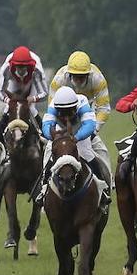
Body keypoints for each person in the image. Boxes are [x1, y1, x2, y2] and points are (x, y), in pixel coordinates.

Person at [37, 86, 111, 207]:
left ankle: (102, 188)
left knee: (86, 153)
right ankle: (44, 189)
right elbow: (46, 125)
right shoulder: (53, 105)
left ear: (75, 107)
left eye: (69, 111)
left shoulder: (82, 103)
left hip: (79, 129)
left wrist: (76, 138)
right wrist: (53, 137)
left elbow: (89, 125)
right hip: (60, 132)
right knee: (49, 155)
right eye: (62, 112)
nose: (66, 116)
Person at [51, 50, 112, 182]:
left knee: (100, 152)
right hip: (62, 119)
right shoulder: (59, 80)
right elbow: (52, 109)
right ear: (69, 74)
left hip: (86, 114)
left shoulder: (98, 79)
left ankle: (104, 185)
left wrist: (93, 131)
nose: (78, 79)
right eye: (75, 76)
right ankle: (43, 189)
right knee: (47, 156)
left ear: (88, 74)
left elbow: (104, 109)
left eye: (82, 76)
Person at [0, 46, 48, 133]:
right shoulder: (7, 68)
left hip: (31, 81)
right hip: (13, 81)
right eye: (18, 66)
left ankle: (43, 135)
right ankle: (0, 135)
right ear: (13, 65)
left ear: (29, 65)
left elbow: (45, 93)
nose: (21, 69)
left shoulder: (37, 70)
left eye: (24, 67)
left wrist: (33, 99)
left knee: (31, 108)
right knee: (9, 107)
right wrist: (8, 101)